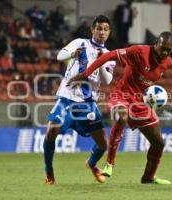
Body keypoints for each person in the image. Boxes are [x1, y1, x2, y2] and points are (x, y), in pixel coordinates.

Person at [68, 31, 172, 184]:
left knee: (159, 143)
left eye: (168, 50)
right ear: (156, 43)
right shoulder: (139, 51)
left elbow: (145, 79)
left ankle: (148, 177)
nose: (164, 52)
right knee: (122, 117)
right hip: (121, 95)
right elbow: (108, 56)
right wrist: (86, 74)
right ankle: (110, 163)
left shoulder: (168, 62)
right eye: (162, 48)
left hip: (140, 102)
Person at [43, 15, 115, 185]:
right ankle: (48, 170)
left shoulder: (108, 55)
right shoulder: (79, 43)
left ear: (109, 32)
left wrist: (100, 60)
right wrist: (72, 53)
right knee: (52, 130)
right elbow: (60, 56)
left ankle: (91, 164)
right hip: (67, 98)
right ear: (93, 30)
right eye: (99, 28)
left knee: (103, 145)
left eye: (105, 29)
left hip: (87, 105)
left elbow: (107, 81)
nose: (102, 32)